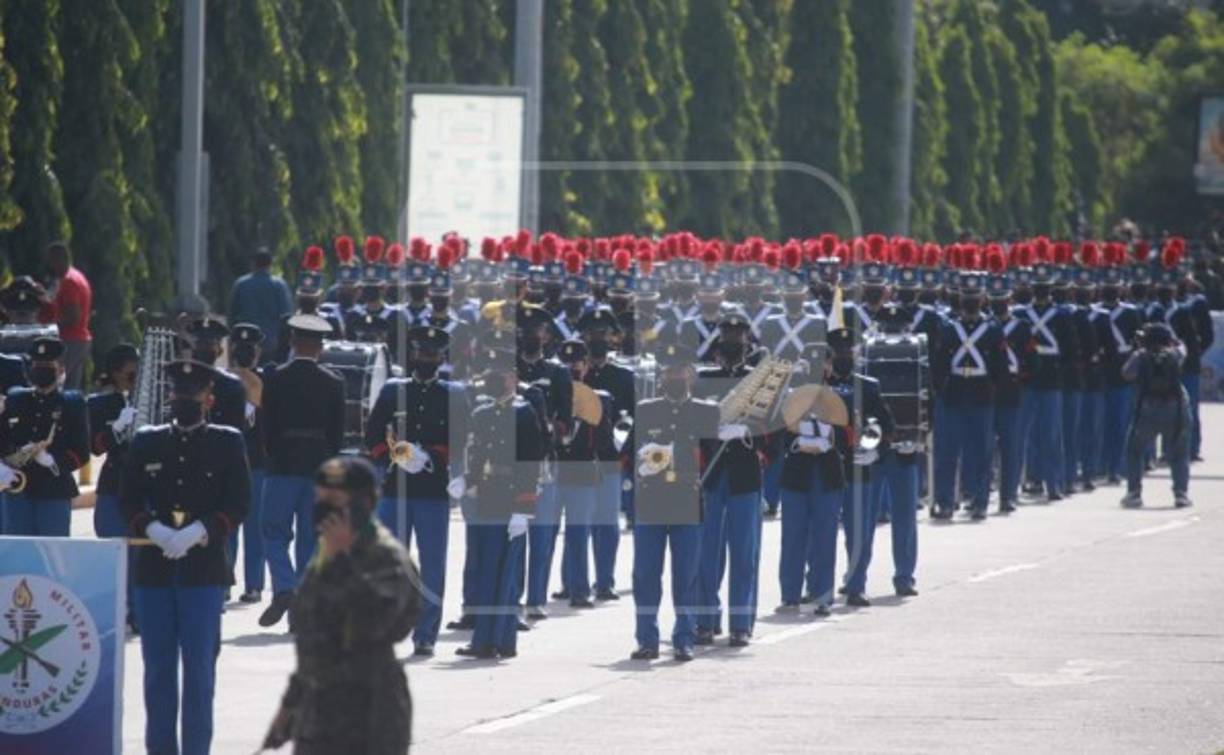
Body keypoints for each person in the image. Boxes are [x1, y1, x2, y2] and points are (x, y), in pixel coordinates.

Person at [120, 359, 250, 755]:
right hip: (154, 571)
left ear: (209, 399)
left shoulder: (227, 442)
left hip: (203, 571)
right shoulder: (148, 440)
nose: (184, 400)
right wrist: (152, 529)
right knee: (158, 671)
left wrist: (202, 530)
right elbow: (128, 498)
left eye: (192, 395)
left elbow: (239, 501)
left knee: (199, 672)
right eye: (178, 393)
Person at [261, 456, 420, 755]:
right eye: (320, 500)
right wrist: (289, 707)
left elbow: (373, 626)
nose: (324, 509)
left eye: (334, 501)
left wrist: (344, 561)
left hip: (371, 714)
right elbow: (313, 643)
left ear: (364, 503)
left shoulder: (387, 557)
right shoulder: (323, 555)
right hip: (318, 713)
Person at [366, 325, 468, 657]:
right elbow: (373, 434)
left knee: (433, 566)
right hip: (395, 489)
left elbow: (463, 438)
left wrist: (432, 456)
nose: (428, 359)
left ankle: (425, 634)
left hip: (432, 491)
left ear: (441, 358)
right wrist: (393, 455)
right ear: (413, 354)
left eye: (433, 355)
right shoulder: (394, 390)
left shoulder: (453, 394)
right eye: (423, 353)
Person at [456, 329, 546, 659]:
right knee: (487, 570)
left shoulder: (523, 412)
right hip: (488, 497)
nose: (495, 379)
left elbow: (531, 464)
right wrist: (465, 480)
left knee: (505, 573)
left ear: (514, 378)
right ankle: (492, 639)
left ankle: (495, 640)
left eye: (501, 374)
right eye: (491, 374)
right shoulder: (482, 412)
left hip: (511, 499)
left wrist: (524, 508)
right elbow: (478, 454)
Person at [630, 339, 719, 661]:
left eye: (679, 371)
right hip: (651, 503)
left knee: (686, 577)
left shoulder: (706, 411)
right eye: (668, 371)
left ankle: (684, 638)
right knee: (645, 577)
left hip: (687, 503)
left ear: (690, 374)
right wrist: (641, 462)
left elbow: (713, 458)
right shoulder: (646, 409)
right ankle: (646, 639)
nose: (673, 377)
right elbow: (628, 453)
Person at [259, 315, 347, 628]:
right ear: (321, 347)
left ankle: (285, 587)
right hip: (318, 467)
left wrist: (272, 453)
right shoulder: (334, 381)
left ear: (293, 343)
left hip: (282, 464)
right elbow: (338, 433)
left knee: (273, 531)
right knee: (311, 538)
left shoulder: (275, 377)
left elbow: (266, 426)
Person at [0, 337, 89, 535]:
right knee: (16, 548)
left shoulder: (72, 403)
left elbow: (82, 451)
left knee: (52, 548)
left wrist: (52, 461)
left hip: (54, 492)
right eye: (37, 365)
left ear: (60, 369)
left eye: (48, 366)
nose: (41, 370)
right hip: (17, 489)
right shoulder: (15, 399)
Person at [87, 343, 140, 628]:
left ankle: (138, 611)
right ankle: (114, 609)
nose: (136, 374)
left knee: (140, 552)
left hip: (144, 484)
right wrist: (116, 428)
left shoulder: (153, 399)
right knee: (112, 547)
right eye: (131, 370)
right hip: (114, 481)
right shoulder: (100, 404)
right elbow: (95, 447)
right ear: (117, 372)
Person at [1121, 323, 1192, 508]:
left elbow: (1127, 374)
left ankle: (1134, 493)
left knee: (1134, 450)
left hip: (1147, 409)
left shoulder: (1140, 355)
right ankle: (1181, 494)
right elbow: (1183, 350)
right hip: (1174, 409)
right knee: (1179, 453)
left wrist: (1137, 350)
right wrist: (1174, 342)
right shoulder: (1174, 354)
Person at [229, 323, 269, 603]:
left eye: (250, 347)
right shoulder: (222, 381)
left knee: (255, 528)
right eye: (240, 346)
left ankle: (254, 584)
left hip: (257, 463)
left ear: (258, 351)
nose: (245, 352)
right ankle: (224, 581)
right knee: (226, 527)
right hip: (228, 463)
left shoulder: (268, 381)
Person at [39, 242, 92, 390]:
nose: (47, 265)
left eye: (49, 260)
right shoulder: (76, 276)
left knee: (54, 384)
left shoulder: (69, 282)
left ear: (58, 259)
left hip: (70, 341)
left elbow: (73, 316)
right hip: (79, 340)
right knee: (70, 387)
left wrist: (47, 326)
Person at [228, 247, 293, 361]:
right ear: (270, 264)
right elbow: (286, 316)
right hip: (271, 344)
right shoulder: (279, 285)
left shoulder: (241, 284)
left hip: (245, 341)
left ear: (253, 263)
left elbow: (232, 316)